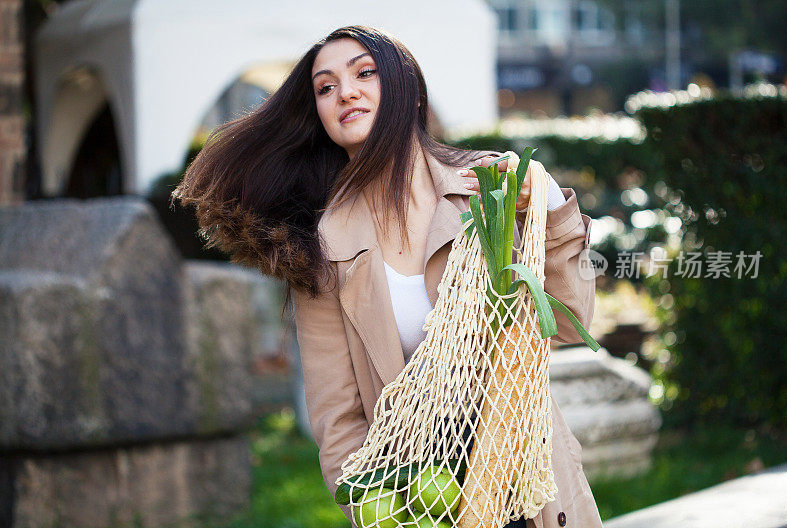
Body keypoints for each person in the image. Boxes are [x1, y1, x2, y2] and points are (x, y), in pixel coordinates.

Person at [172, 24, 602, 528]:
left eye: (364, 73)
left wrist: (548, 201)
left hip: (529, 486)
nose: (345, 92)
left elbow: (572, 322)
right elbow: (337, 418)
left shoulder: (489, 191)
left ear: (406, 89)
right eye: (325, 87)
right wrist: (378, 512)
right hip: (419, 497)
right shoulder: (324, 247)